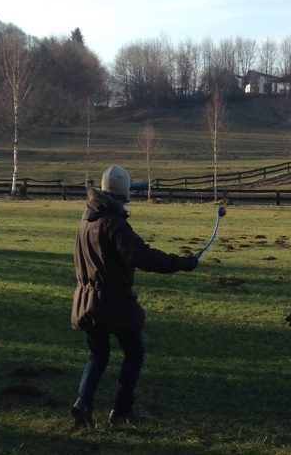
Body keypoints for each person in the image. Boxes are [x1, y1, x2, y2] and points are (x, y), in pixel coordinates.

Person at [70, 165, 198, 427]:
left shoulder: (86, 220)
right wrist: (182, 263)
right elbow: (142, 256)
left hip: (86, 300)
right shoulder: (115, 224)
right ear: (123, 194)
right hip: (114, 302)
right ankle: (121, 411)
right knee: (134, 351)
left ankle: (83, 403)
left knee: (98, 355)